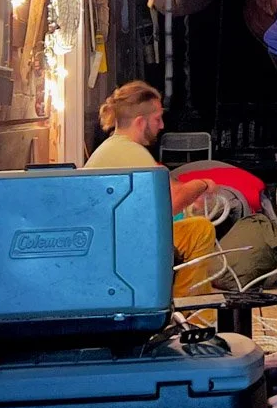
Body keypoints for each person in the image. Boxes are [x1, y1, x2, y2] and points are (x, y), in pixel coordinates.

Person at [84, 81, 222, 308]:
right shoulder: (129, 150)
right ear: (140, 122)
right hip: (119, 248)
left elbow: (165, 190)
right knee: (200, 230)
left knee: (191, 226)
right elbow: (172, 201)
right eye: (157, 118)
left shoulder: (117, 148)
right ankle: (188, 314)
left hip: (116, 241)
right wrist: (203, 184)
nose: (161, 125)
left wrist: (188, 196)